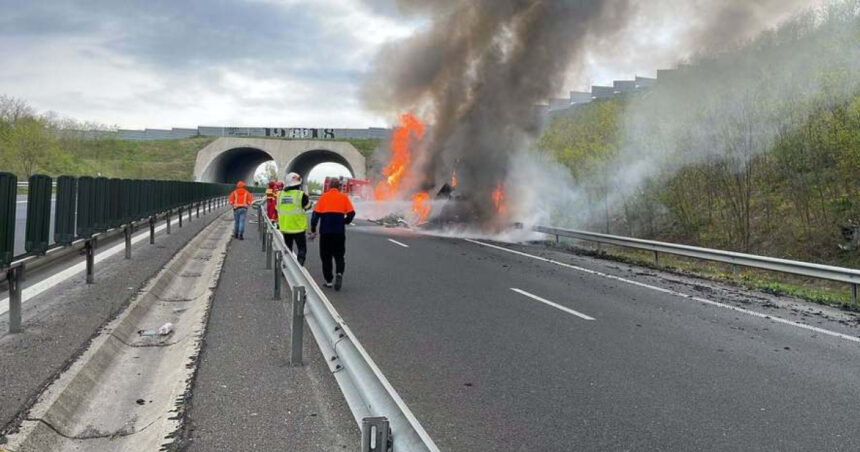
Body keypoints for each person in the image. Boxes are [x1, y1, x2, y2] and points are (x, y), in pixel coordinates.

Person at [310, 178, 355, 290]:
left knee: (326, 257)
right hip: (339, 232)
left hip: (325, 232)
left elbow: (315, 215)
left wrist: (313, 228)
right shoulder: (343, 197)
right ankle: (339, 273)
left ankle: (328, 280)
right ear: (339, 187)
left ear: (329, 186)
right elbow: (351, 213)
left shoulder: (324, 197)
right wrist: (345, 222)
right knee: (339, 255)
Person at [277, 172, 310, 265]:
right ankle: (299, 265)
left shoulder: (280, 195)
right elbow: (307, 207)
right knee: (302, 248)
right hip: (298, 227)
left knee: (287, 248)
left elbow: (278, 209)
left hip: (285, 227)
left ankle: (285, 266)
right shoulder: (301, 195)